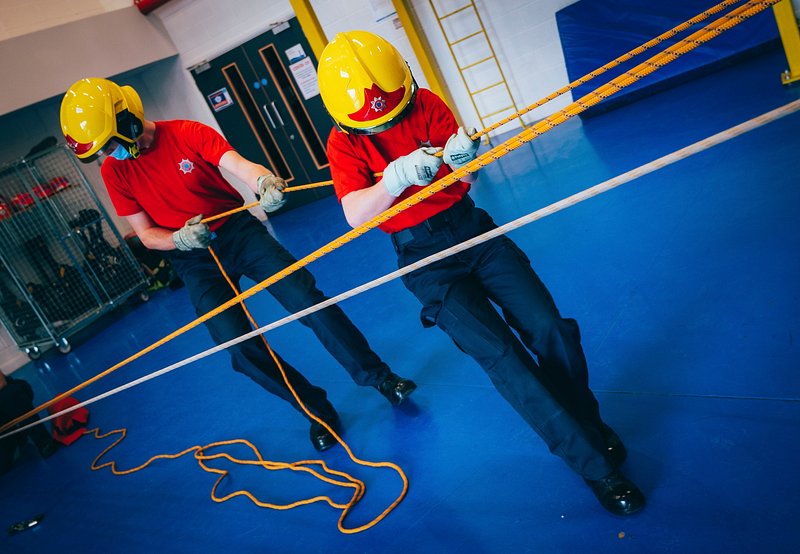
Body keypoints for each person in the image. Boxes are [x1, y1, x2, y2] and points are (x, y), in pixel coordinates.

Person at [317, 31, 646, 515]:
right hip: (424, 259)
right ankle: (594, 467)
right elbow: (355, 215)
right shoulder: (342, 142)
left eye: (396, 112)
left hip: (472, 230)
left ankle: (588, 425)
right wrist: (395, 179)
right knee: (505, 359)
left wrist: (463, 161)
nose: (391, 123)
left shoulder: (426, 103)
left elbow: (467, 180)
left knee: (550, 329)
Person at [59, 78, 417, 452]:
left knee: (307, 301)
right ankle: (315, 411)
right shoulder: (114, 172)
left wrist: (263, 181)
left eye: (109, 145)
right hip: (192, 258)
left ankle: (380, 378)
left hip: (237, 232)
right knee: (237, 346)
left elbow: (239, 165)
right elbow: (146, 234)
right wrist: (179, 240)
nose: (108, 155)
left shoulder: (186, 132)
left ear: (126, 121)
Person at [0, 372, 59, 474]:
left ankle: (44, 442)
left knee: (10, 395)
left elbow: (1, 383)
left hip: (9, 393)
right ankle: (16, 436)